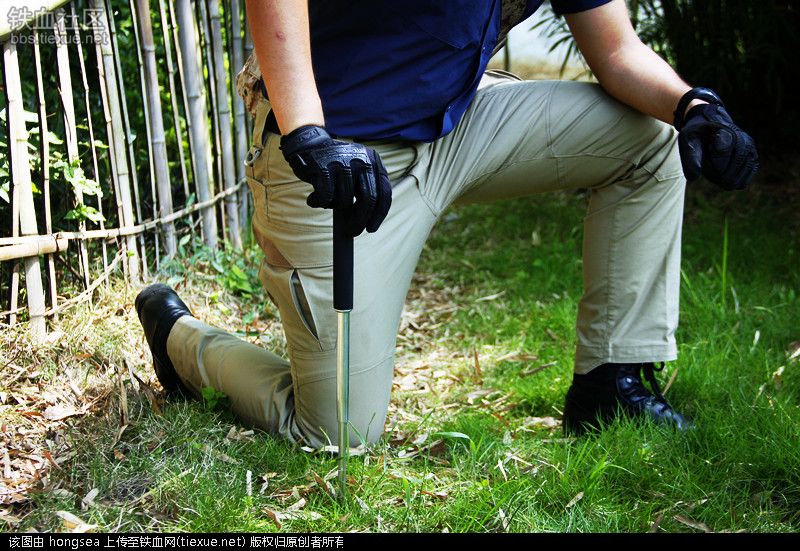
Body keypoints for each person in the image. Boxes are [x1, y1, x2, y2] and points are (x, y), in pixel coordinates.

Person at [135, 0, 758, 445]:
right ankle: (180, 338)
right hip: (341, 159)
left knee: (653, 139)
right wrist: (307, 131)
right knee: (338, 431)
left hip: (459, 128)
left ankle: (613, 383)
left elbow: (616, 49)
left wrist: (692, 104)